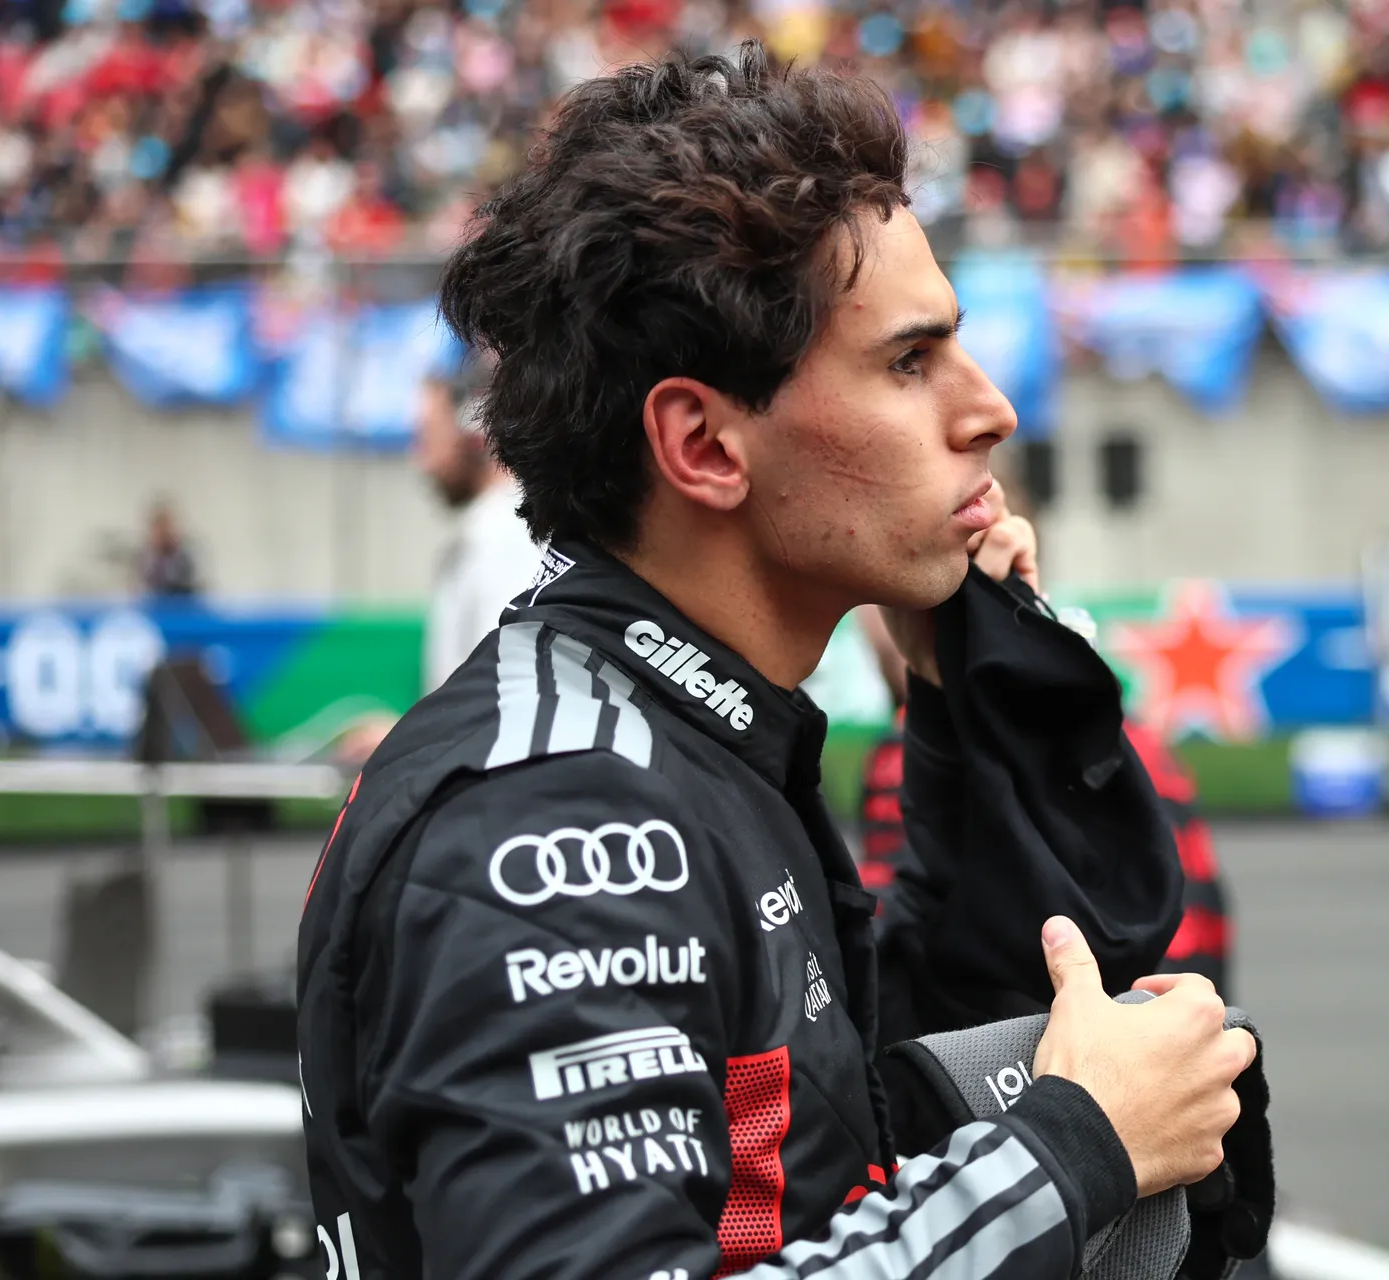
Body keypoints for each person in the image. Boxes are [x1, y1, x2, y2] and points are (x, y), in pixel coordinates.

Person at [297, 45, 1258, 1280]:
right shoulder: (561, 824)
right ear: (703, 444)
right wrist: (1070, 1152)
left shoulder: (691, 744)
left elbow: (836, 1148)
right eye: (909, 362)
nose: (989, 409)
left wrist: (964, 712)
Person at [853, 558, 1234, 993]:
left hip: (1046, 1042)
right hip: (1178, 1020)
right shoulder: (1134, 736)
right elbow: (1208, 916)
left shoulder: (913, 744)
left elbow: (885, 948)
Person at [412, 358, 541, 693]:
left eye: (427, 437)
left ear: (473, 429)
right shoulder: (494, 529)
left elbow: (502, 688)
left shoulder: (509, 533)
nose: (421, 462)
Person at [138, 500, 200, 599]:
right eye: (159, 529)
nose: (164, 533)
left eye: (167, 527)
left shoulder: (186, 558)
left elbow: (196, 588)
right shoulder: (143, 559)